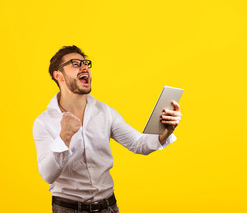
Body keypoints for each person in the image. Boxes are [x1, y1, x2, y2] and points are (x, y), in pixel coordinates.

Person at [33, 45, 182, 213]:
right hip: (68, 209)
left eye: (85, 63)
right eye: (75, 64)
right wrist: (64, 136)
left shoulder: (105, 112)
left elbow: (138, 144)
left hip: (108, 207)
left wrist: (166, 131)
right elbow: (47, 175)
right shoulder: (43, 122)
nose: (84, 67)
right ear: (58, 75)